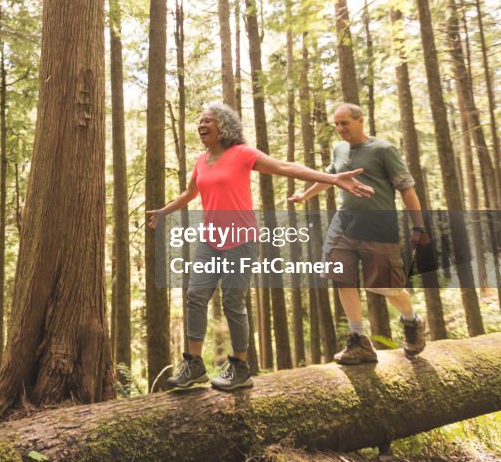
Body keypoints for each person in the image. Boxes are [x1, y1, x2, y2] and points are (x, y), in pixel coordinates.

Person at [147, 101, 374, 391]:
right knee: (195, 295)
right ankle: (193, 364)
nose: (201, 125)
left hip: (241, 240)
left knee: (232, 300)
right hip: (210, 240)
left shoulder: (242, 154)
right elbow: (190, 193)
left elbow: (284, 167)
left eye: (208, 121)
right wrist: (166, 211)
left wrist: (331, 178)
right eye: (200, 121)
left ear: (224, 126)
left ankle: (240, 368)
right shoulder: (201, 160)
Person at [289, 103, 429, 364]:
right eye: (337, 124)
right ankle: (359, 340)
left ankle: (412, 322)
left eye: (345, 123)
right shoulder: (339, 149)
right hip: (343, 225)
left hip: (378, 229)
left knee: (386, 287)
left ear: (360, 121)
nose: (340, 129)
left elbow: (407, 189)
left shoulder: (384, 150)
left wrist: (419, 226)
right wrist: (305, 194)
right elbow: (331, 178)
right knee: (342, 277)